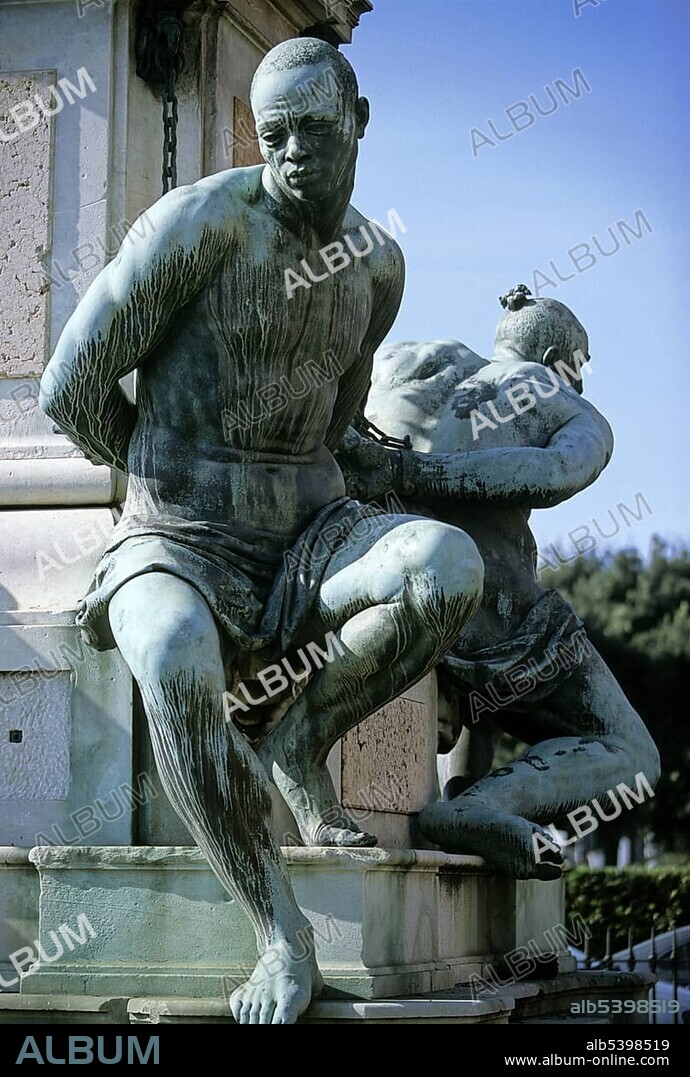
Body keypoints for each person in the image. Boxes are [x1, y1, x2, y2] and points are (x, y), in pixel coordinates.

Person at [39, 38, 484, 1025]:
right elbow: (66, 386)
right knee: (172, 647)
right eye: (273, 133)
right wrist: (159, 480)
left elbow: (341, 408)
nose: (291, 153)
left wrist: (380, 488)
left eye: (313, 132)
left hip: (309, 532)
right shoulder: (197, 226)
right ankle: (278, 934)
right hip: (177, 534)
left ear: (359, 123)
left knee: (446, 567)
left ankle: (299, 737)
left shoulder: (378, 265)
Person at [338, 285, 660, 881]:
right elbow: (555, 472)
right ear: (559, 356)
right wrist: (419, 473)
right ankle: (477, 808)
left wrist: (394, 472)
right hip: (493, 613)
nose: (580, 382)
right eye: (579, 366)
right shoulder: (560, 398)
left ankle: (465, 804)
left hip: (373, 560)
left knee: (491, 692)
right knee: (634, 755)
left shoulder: (404, 356)